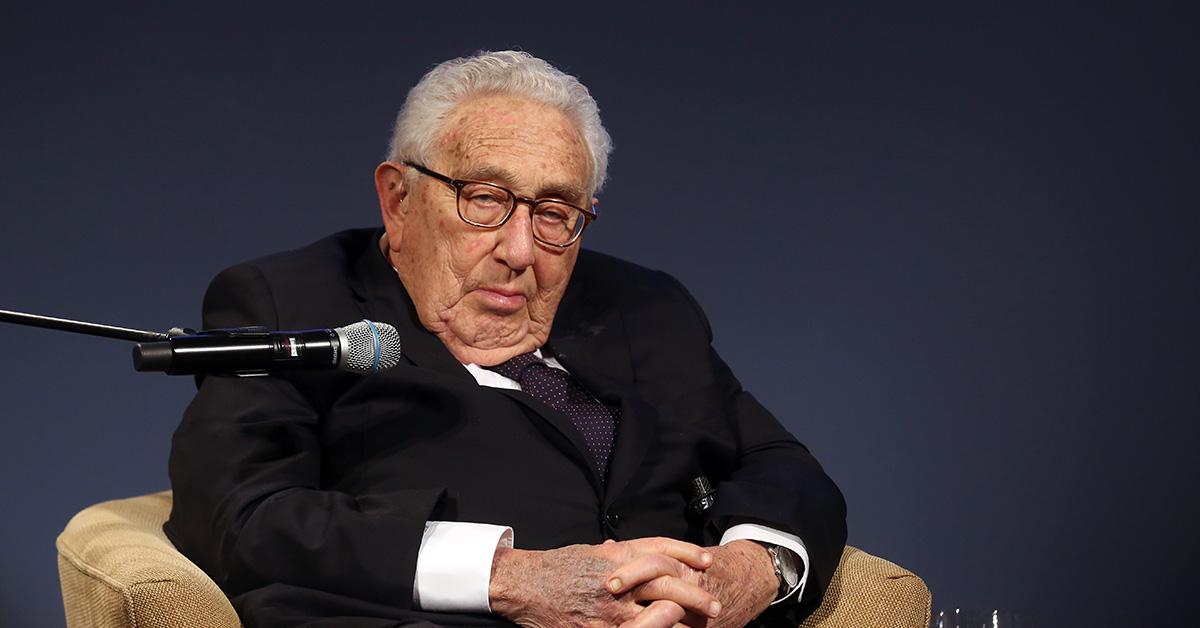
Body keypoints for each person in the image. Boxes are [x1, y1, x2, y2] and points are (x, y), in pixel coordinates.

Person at [165, 50, 847, 628]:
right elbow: (240, 517)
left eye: (555, 213)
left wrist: (748, 570)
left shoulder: (646, 307)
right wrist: (509, 577)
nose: (521, 250)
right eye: (485, 199)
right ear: (399, 201)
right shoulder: (292, 305)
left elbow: (780, 464)